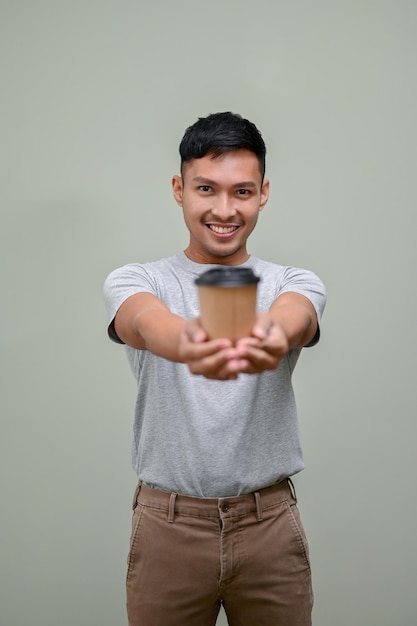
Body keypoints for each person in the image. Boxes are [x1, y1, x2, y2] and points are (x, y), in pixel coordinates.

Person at [103, 111, 326, 626]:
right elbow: (143, 319)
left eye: (242, 192)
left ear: (263, 193)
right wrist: (187, 341)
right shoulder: (139, 278)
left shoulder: (293, 280)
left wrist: (271, 335)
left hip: (268, 524)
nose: (224, 209)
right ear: (179, 189)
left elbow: (295, 316)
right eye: (207, 188)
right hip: (168, 526)